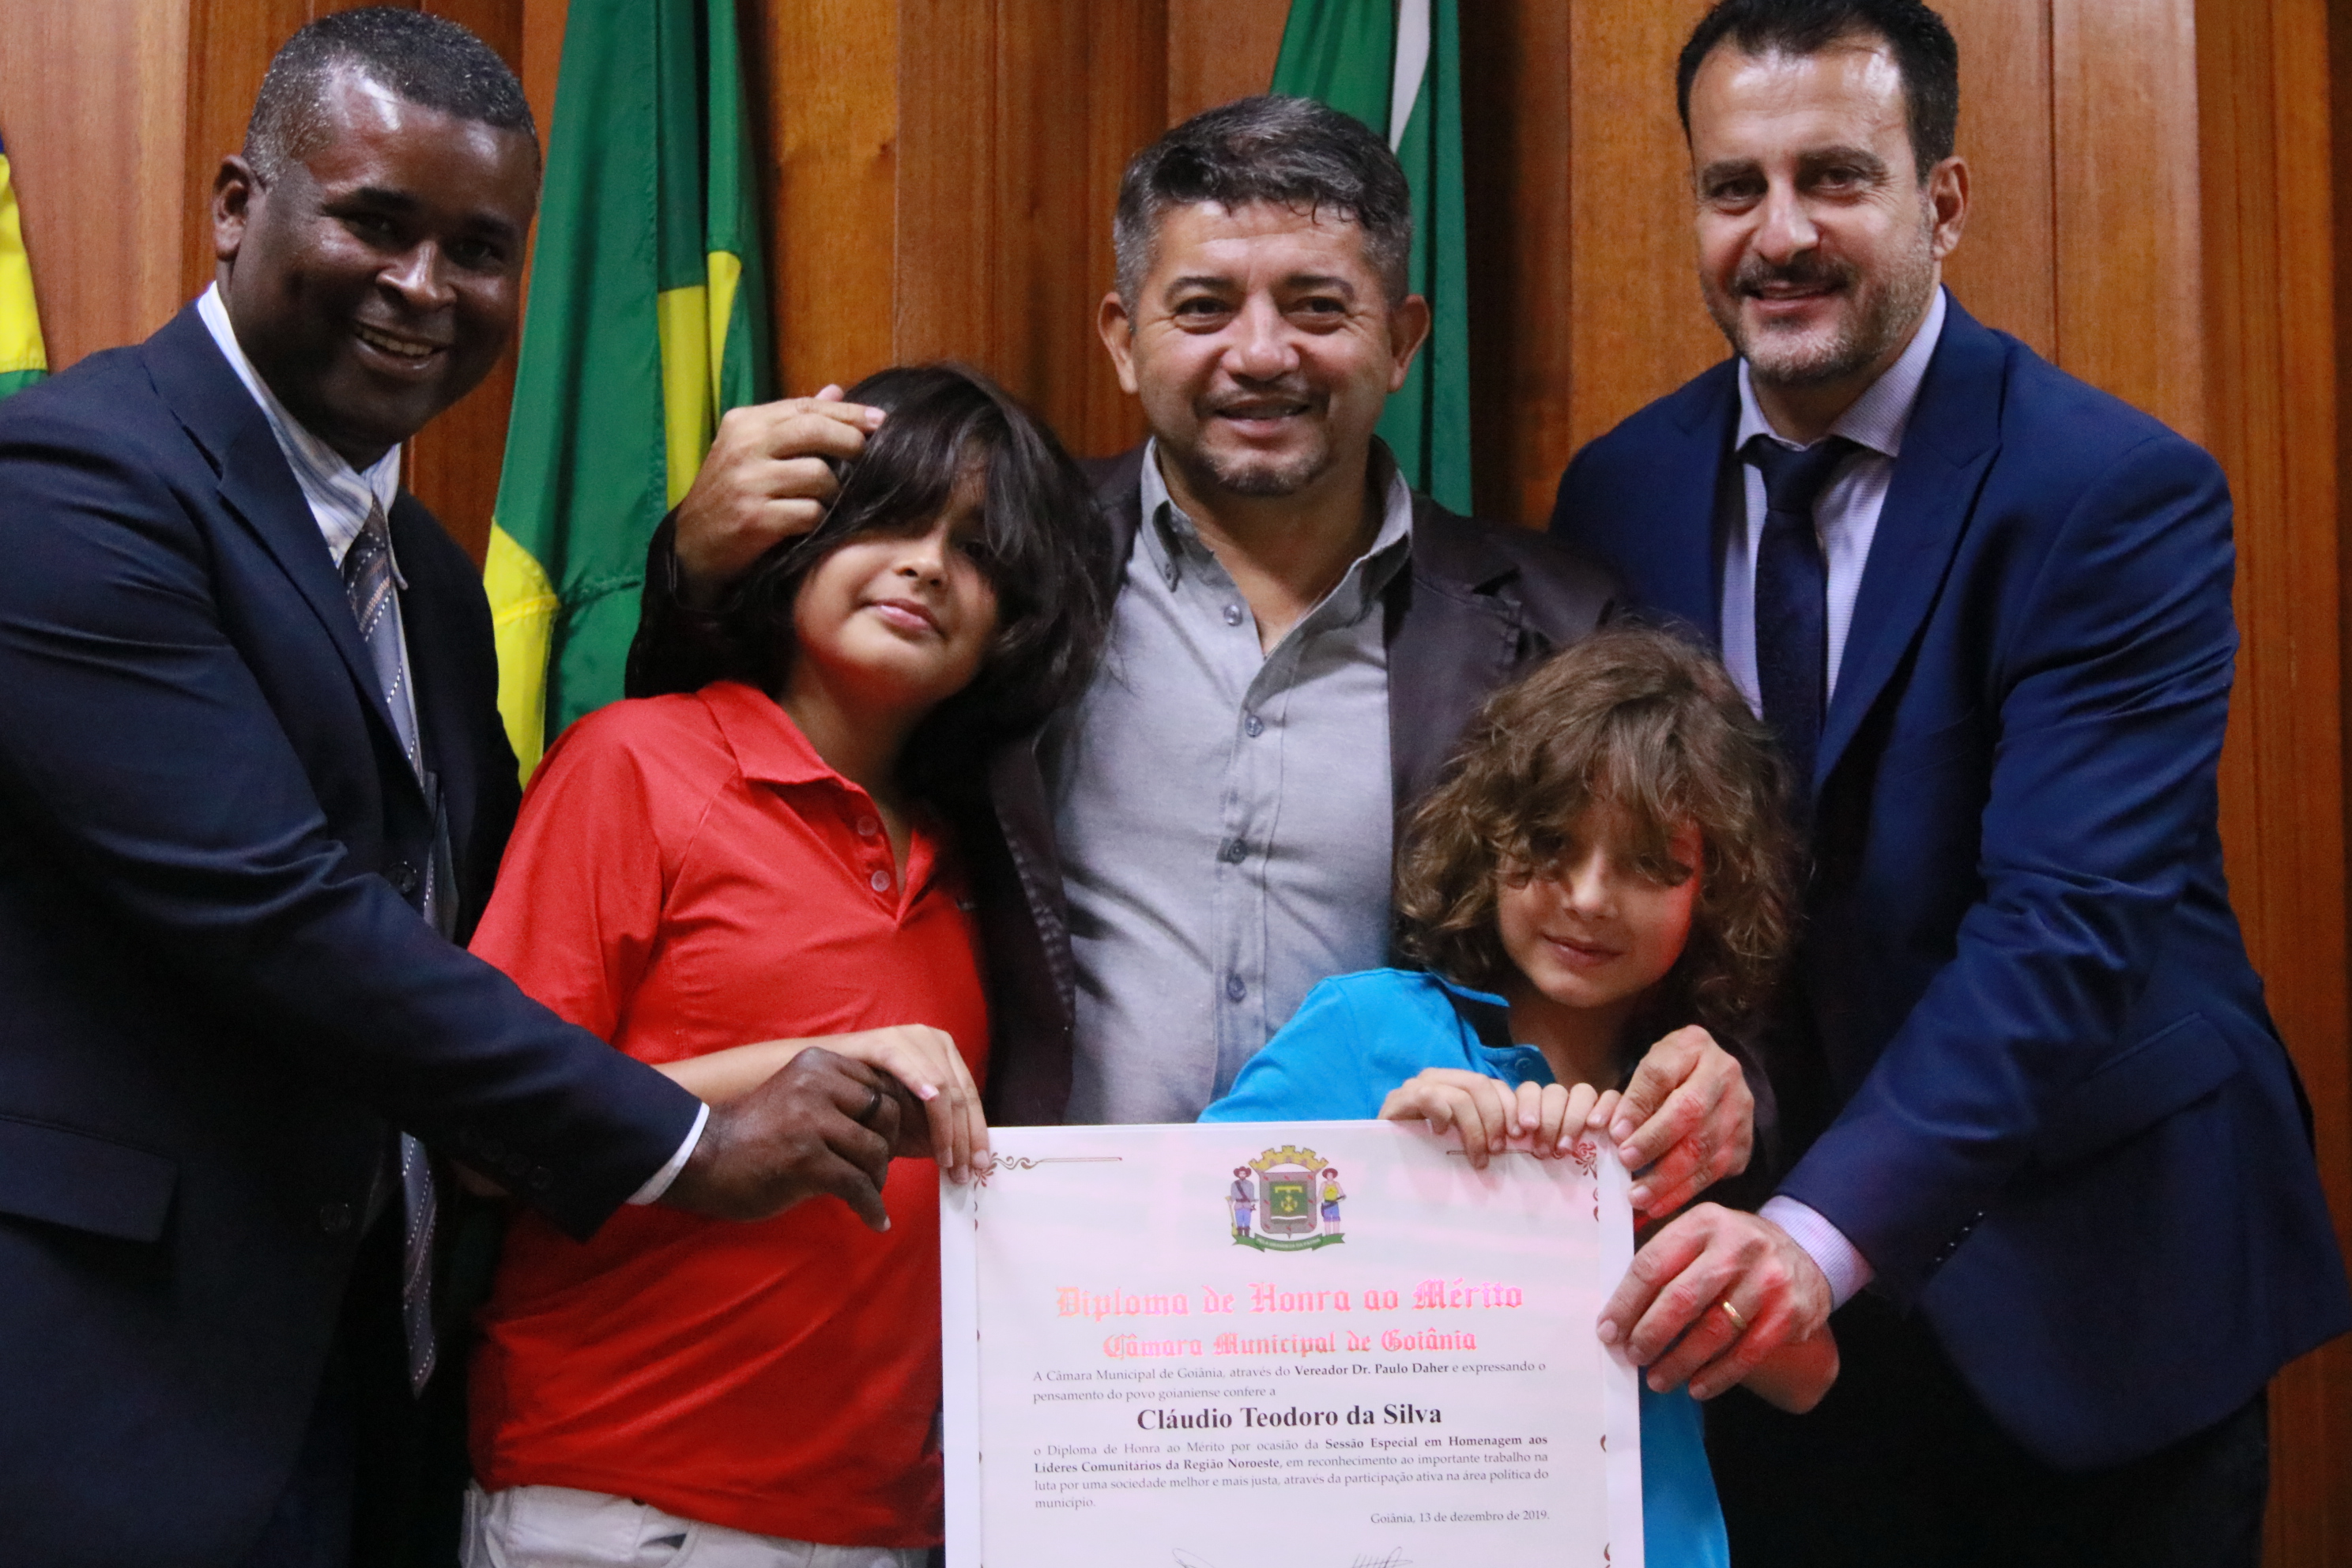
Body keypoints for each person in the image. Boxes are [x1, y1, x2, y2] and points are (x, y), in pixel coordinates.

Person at [0, 13, 941, 1567]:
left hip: (374, 1372)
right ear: (236, 205)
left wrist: (689, 592)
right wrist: (688, 1143)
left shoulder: (427, 578)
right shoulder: (73, 484)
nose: (426, 285)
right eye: (376, 222)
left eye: (481, 250)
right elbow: (281, 910)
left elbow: (501, 913)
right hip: (115, 1386)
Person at [631, 96, 1760, 1228]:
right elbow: (742, 780)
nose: (1261, 355)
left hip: (1398, 1274)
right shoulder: (999, 568)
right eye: (1205, 307)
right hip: (1040, 1249)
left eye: (1318, 307)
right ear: (1124, 339)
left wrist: (1718, 1075)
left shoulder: (1555, 623)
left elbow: (1673, 947)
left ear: (1405, 340)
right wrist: (695, 567)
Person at [1546, 2, 2352, 1562]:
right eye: (1734, 187)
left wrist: (1818, 1233)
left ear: (1945, 198)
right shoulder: (1618, 490)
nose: (1780, 233)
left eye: (1836, 177)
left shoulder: (2111, 493)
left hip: (2090, 1289)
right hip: (1768, 1331)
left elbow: (2068, 921)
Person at [459, 366, 1108, 1567]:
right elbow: (482, 1139)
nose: (926, 565)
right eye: (891, 519)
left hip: (884, 1520)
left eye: (977, 551)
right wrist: (795, 1071)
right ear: (798, 544)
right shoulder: (637, 762)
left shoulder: (987, 864)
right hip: (625, 1503)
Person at [1201, 626, 1834, 1567]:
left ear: (1714, 887)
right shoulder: (1367, 1026)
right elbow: (1171, 1249)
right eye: (1551, 844)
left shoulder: (1700, 1101)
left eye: (1649, 863)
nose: (1589, 896)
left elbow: (1807, 1375)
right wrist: (1383, 1175)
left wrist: (1638, 1226)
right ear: (1487, 837)